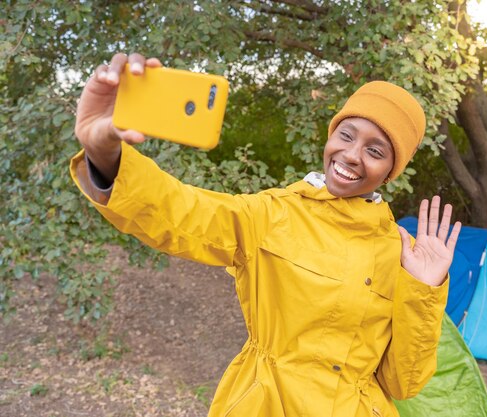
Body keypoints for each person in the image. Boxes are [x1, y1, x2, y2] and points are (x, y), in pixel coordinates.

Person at [70, 52, 461, 417]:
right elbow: (177, 212)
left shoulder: (403, 255)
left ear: (392, 169)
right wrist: (105, 154)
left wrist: (424, 291)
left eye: (376, 151)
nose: (352, 155)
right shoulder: (272, 214)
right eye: (346, 135)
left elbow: (403, 383)